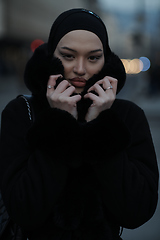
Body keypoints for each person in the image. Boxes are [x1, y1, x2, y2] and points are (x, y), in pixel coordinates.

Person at [0, 8, 159, 240]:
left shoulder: (127, 116)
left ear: (105, 61)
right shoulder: (21, 113)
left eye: (93, 57)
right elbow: (24, 211)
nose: (80, 69)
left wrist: (101, 126)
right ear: (51, 57)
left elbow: (137, 212)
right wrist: (59, 123)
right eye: (68, 56)